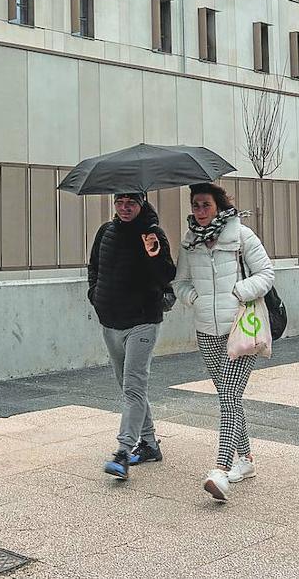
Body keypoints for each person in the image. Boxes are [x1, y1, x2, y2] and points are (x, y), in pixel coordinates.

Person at [172, 182, 275, 501]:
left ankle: (221, 469)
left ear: (219, 206)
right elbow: (180, 282)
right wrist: (194, 298)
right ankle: (245, 460)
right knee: (230, 397)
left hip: (240, 326)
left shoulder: (242, 236)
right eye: (195, 206)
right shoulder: (190, 242)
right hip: (206, 330)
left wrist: (238, 292)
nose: (200, 212)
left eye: (205, 205)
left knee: (228, 396)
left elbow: (267, 274)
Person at [87, 192, 176, 480]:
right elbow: (94, 269)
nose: (125, 208)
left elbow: (167, 277)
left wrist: (154, 254)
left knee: (134, 386)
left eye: (131, 203)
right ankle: (149, 444)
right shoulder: (105, 232)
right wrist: (95, 296)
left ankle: (123, 452)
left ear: (142, 204)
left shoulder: (153, 234)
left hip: (143, 321)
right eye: (120, 202)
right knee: (128, 388)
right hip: (110, 321)